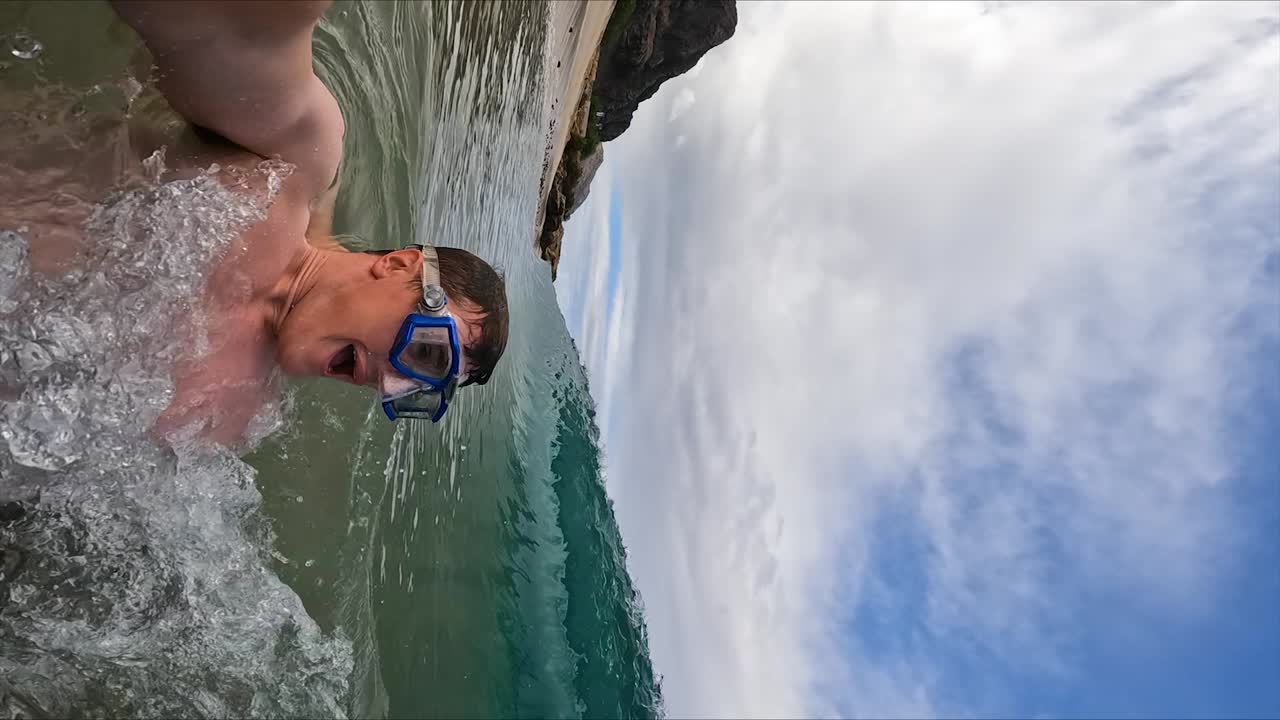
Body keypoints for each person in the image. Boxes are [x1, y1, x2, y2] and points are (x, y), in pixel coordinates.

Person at [78, 0, 508, 443]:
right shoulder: (287, 168)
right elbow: (236, 30)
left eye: (416, 388)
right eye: (424, 353)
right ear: (399, 264)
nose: (388, 384)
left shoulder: (226, 421)